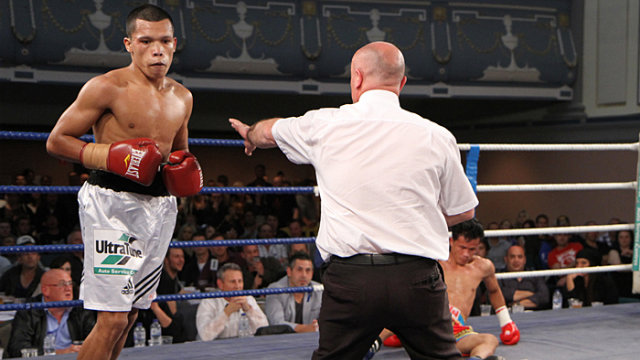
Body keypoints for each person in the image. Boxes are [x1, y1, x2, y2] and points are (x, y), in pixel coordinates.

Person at [230, 41, 478, 359]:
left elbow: (268, 132)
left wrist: (250, 135)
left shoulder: (324, 124)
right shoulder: (436, 135)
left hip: (352, 280)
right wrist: (416, 218)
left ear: (356, 78)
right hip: (417, 279)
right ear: (401, 83)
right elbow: (464, 211)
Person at [45, 5, 202, 360]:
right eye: (146, 41)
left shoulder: (183, 97)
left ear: (175, 43)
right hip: (111, 205)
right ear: (129, 44)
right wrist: (110, 155)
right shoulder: (106, 87)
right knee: (113, 319)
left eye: (164, 41)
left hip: (159, 209)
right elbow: (57, 140)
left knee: (130, 314)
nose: (157, 49)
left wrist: (185, 170)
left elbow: (180, 152)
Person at [7, 269, 96, 357]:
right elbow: (18, 348)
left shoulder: (80, 309)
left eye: (70, 283)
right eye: (62, 284)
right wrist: (59, 353)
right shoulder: (29, 310)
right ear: (46, 290)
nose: (68, 288)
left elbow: (95, 342)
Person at [196, 263, 268, 340]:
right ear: (220, 284)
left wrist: (249, 310)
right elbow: (205, 336)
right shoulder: (208, 302)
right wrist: (226, 313)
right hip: (216, 349)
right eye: (233, 282)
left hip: (245, 346)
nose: (237, 286)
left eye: (240, 281)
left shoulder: (249, 299)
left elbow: (264, 329)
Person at [265, 252, 322, 333]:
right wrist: (305, 329)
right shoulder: (275, 290)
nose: (304, 275)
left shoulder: (319, 289)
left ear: (312, 273)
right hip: (283, 341)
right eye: (299, 270)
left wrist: (316, 326)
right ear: (289, 271)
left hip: (312, 340)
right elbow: (276, 323)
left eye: (308, 270)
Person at [499, 245, 549, 310]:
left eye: (520, 257)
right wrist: (532, 294)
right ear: (506, 259)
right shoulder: (499, 276)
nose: (516, 260)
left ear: (525, 260)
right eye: (512, 257)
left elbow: (544, 297)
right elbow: (502, 295)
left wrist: (517, 304)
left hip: (534, 316)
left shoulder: (534, 274)